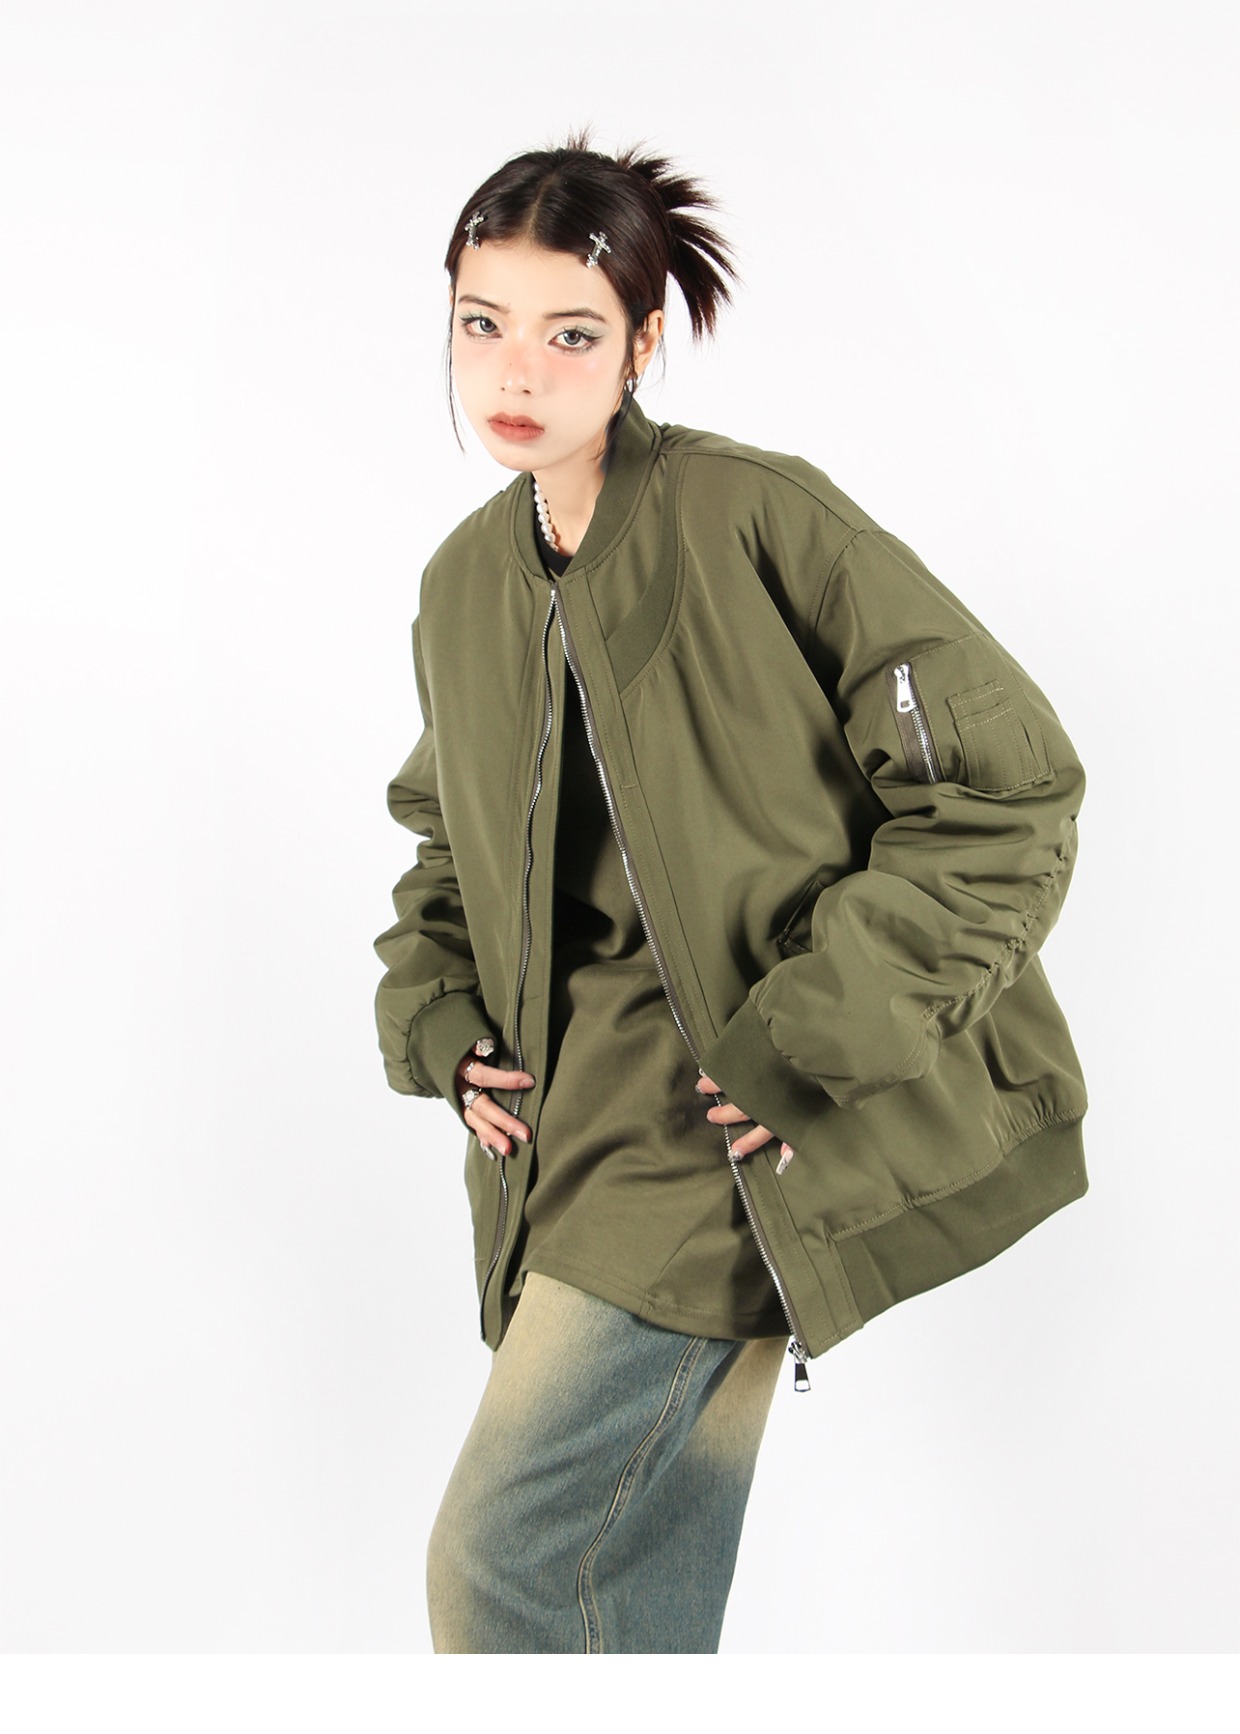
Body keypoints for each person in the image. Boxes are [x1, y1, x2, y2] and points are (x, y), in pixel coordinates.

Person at [373, 135, 1088, 1654]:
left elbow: (1004, 787)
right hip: (559, 1134)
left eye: (571, 333)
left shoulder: (757, 516)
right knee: (629, 1592)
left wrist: (811, 1036)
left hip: (713, 1126)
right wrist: (438, 1019)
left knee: (497, 1562)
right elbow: (443, 837)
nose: (516, 371)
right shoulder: (461, 583)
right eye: (482, 323)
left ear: (642, 343)